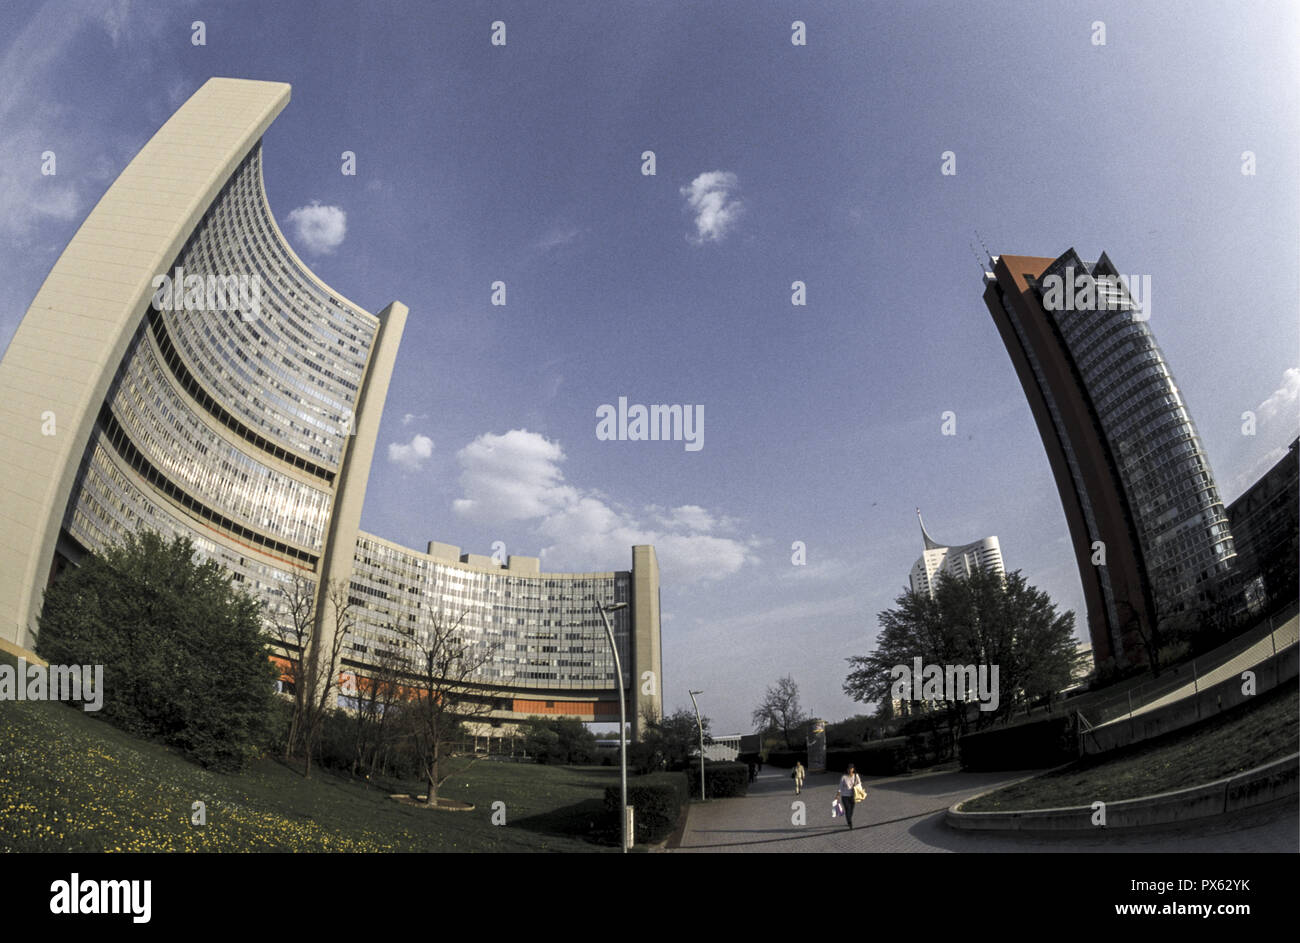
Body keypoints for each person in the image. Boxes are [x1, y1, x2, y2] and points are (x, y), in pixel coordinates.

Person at [837, 763, 863, 829]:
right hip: (845, 796)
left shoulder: (856, 776)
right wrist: (838, 795)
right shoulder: (844, 777)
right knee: (848, 809)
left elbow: (859, 783)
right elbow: (840, 787)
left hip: (853, 796)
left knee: (851, 810)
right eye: (849, 768)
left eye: (851, 768)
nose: (850, 770)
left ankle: (849, 819)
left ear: (853, 769)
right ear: (847, 769)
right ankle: (850, 822)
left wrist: (856, 786)